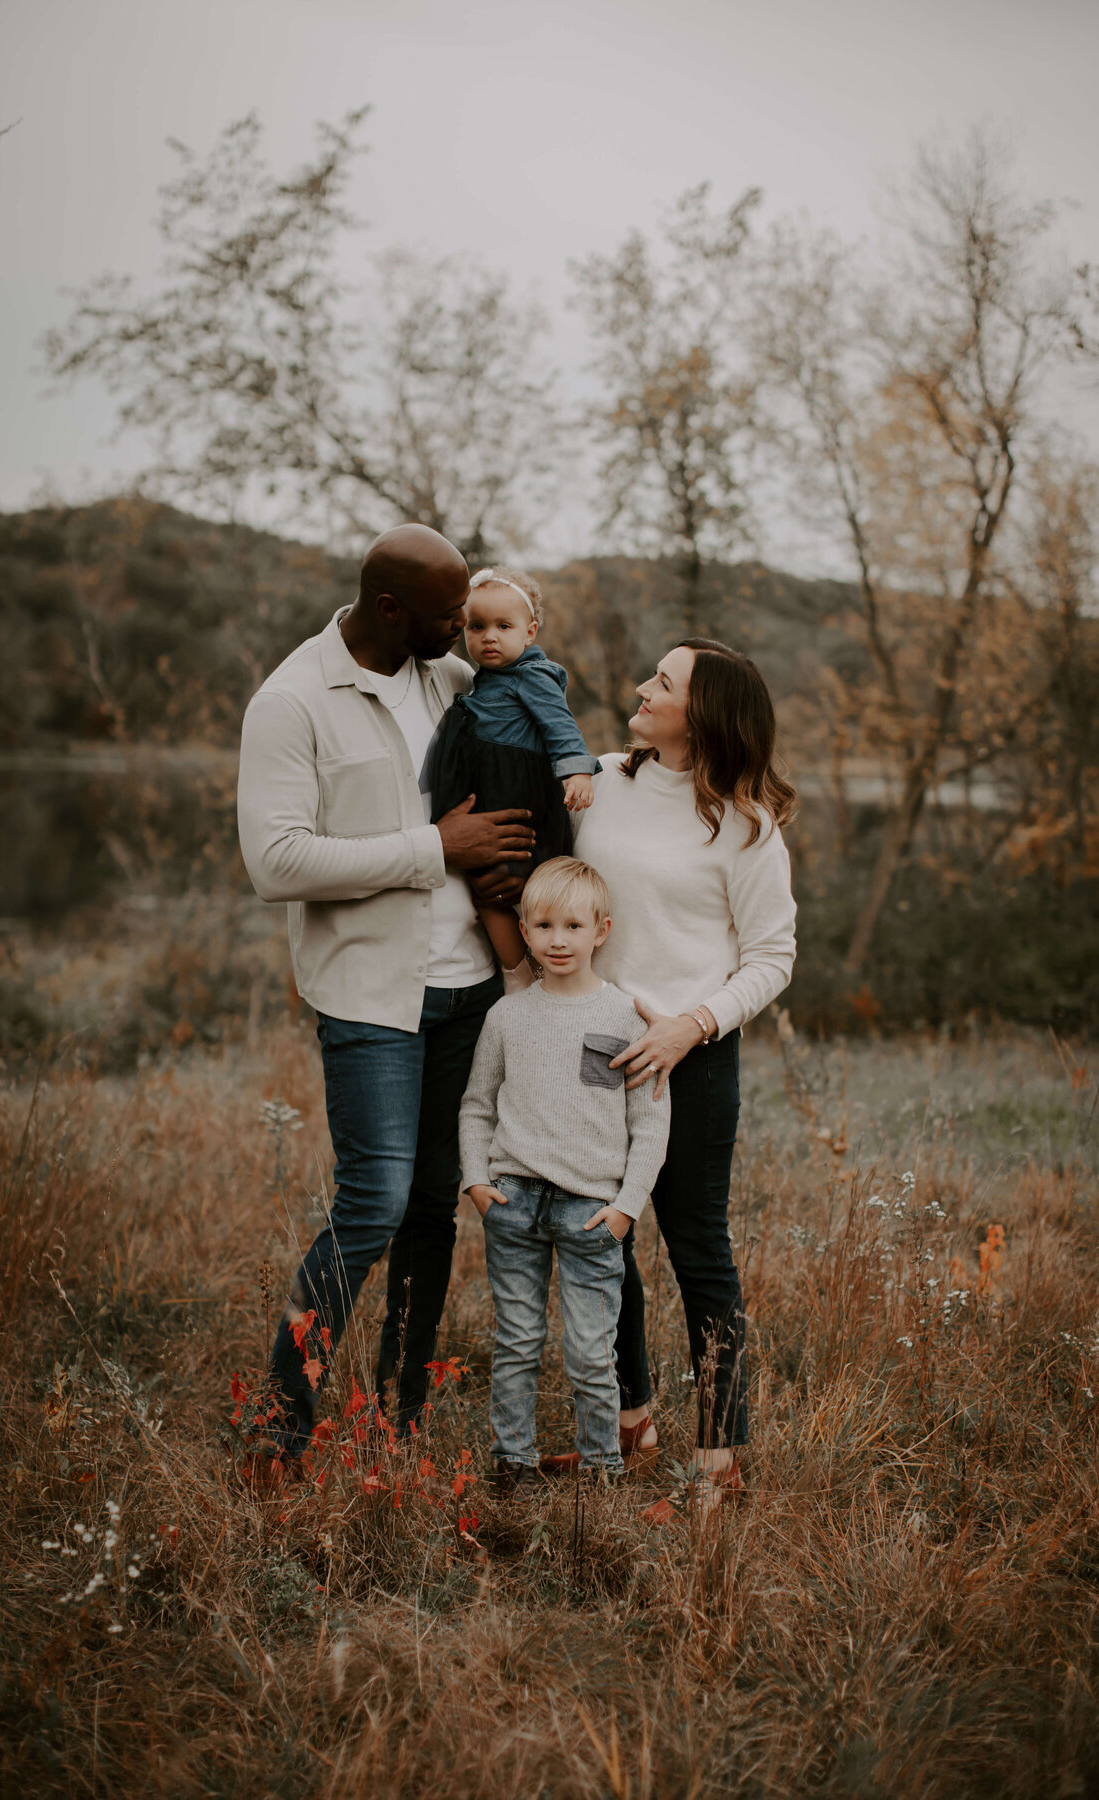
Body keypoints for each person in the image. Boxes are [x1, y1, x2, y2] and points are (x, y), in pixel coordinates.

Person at [236, 523, 537, 1458]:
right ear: (388, 608)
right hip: (370, 998)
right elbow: (275, 860)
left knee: (433, 1205)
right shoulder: (291, 702)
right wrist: (433, 850)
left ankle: (401, 1415)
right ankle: (280, 1418)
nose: (465, 626)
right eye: (449, 612)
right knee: (372, 1201)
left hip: (469, 993)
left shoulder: (448, 678)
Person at [569, 638, 797, 1516]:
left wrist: (690, 1025)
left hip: (693, 1058)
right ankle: (630, 1424)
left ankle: (720, 1464)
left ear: (701, 715)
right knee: (601, 1243)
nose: (640, 687)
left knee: (698, 1250)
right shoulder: (596, 780)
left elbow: (772, 959)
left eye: (661, 682)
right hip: (594, 1049)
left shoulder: (746, 827)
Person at [459, 857, 670, 1481]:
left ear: (601, 931)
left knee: (588, 1351)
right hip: (513, 1201)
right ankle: (513, 1465)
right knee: (518, 1342)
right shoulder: (507, 1017)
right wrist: (476, 1179)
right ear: (523, 931)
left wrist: (627, 1207)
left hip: (591, 1212)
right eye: (544, 925)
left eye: (573, 926)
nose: (558, 939)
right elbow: (476, 1105)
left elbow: (650, 1124)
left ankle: (602, 1470)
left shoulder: (627, 1018)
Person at [426, 566, 601, 981]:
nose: (489, 636)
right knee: (487, 894)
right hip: (490, 796)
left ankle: (532, 975)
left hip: (518, 798)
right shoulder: (483, 680)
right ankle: (521, 973)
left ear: (530, 632)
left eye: (504, 626)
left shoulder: (533, 676)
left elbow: (560, 724)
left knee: (525, 892)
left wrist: (577, 772)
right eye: (478, 626)